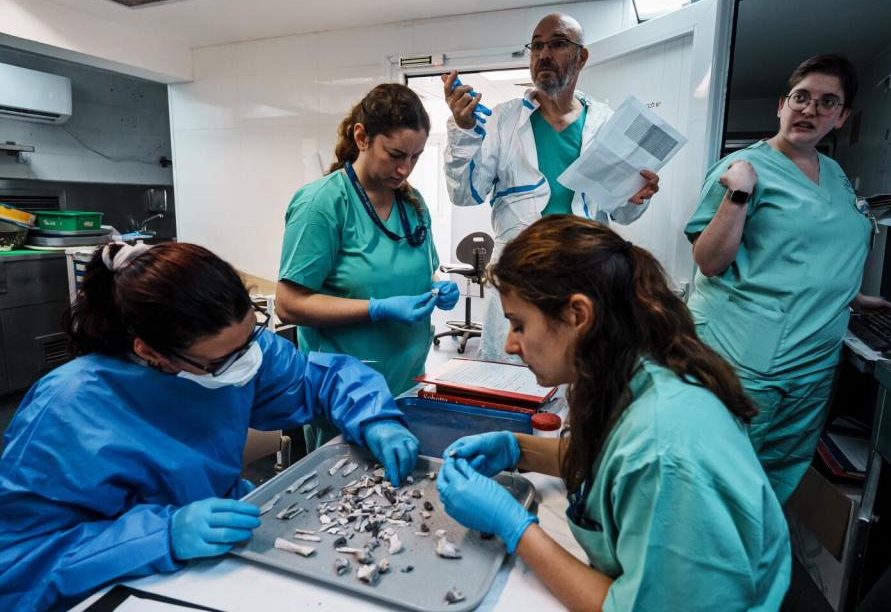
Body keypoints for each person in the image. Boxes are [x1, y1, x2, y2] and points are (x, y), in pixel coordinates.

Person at [0, 241, 420, 610]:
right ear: (151, 353)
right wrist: (160, 536)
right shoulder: (67, 411)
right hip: (134, 583)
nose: (248, 362)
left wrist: (376, 416)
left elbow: (319, 379)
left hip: (229, 554)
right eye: (221, 360)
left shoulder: (233, 348)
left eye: (251, 338)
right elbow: (21, 563)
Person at [436, 216, 791, 611]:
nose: (511, 344)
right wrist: (519, 450)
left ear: (577, 315)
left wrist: (514, 527)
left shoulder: (665, 449)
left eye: (519, 324)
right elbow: (612, 461)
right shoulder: (628, 366)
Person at [684, 54, 891, 504]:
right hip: (743, 357)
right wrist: (739, 194)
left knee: (773, 481)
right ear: (782, 105)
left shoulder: (834, 173)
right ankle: (701, 570)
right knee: (718, 480)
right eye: (801, 97)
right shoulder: (743, 168)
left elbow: (807, 254)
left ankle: (750, 565)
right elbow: (710, 260)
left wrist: (851, 296)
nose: (810, 110)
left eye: (826, 102)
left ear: (841, 117)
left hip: (813, 361)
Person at [442, 13, 660, 362]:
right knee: (510, 380)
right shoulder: (503, 119)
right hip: (520, 281)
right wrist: (465, 130)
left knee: (579, 381)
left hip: (584, 279)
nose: (543, 54)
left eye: (557, 44)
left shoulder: (605, 123)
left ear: (581, 56)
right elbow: (464, 193)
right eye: (537, 45)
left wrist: (635, 197)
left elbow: (623, 211)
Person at [276, 83, 458, 451]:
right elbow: (288, 303)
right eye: (395, 155)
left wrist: (439, 285)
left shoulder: (413, 204)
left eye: (416, 157)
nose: (405, 169)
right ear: (362, 137)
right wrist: (375, 309)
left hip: (408, 382)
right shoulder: (322, 205)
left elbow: (427, 268)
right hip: (348, 394)